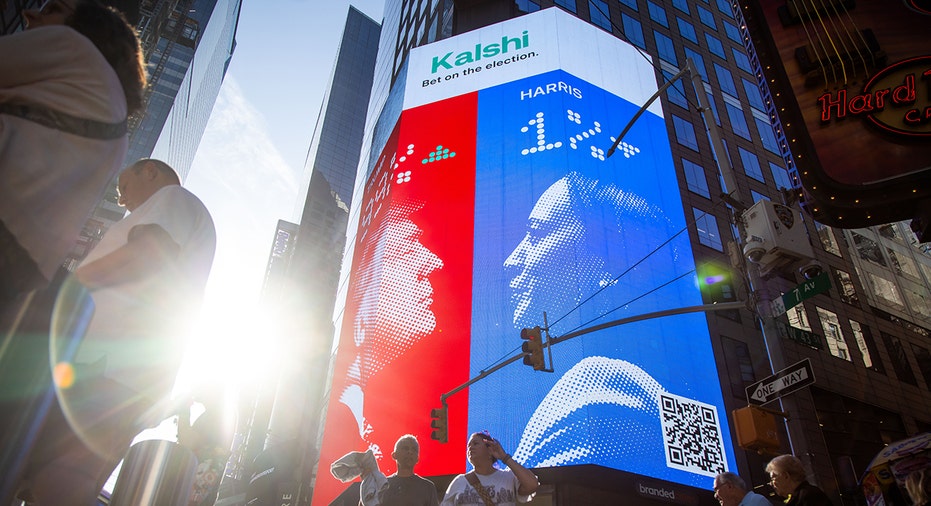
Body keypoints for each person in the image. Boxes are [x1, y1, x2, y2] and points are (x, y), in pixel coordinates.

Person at [17, 158, 216, 505]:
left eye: (124, 188)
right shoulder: (179, 213)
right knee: (57, 476)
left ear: (150, 172)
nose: (122, 200)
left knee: (59, 475)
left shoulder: (174, 198)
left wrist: (66, 288)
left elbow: (148, 255)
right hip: (125, 371)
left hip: (105, 362)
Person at [0, 0, 145, 314]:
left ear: (89, 29)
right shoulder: (119, 136)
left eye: (53, 9)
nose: (31, 13)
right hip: (22, 274)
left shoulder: (72, 46)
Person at [340, 200, 443, 454]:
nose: (433, 262)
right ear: (362, 311)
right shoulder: (346, 425)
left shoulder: (368, 422)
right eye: (407, 250)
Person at [441, 432, 538, 505]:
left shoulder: (508, 477)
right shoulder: (459, 481)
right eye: (468, 446)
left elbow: (532, 485)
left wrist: (504, 457)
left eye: (475, 444)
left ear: (490, 449)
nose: (470, 448)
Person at [361, 434, 438, 506]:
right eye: (405, 448)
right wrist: (366, 485)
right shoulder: (382, 485)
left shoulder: (427, 487)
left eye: (414, 450)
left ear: (417, 458)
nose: (410, 452)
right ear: (394, 455)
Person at [765, 455, 834, 506]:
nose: (771, 483)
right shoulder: (803, 496)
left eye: (773, 478)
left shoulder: (809, 496)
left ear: (786, 476)